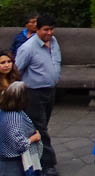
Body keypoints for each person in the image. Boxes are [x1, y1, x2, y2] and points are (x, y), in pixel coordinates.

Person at [14, 15, 58, 176]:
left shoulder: (54, 42)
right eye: (46, 30)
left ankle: (33, 155)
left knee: (43, 124)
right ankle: (48, 164)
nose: (49, 33)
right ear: (37, 29)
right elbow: (17, 69)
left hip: (50, 90)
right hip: (34, 92)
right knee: (40, 128)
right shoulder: (28, 48)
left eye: (51, 29)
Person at [0, 81, 38, 176]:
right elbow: (20, 145)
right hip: (11, 162)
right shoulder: (14, 118)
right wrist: (34, 138)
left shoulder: (4, 112)